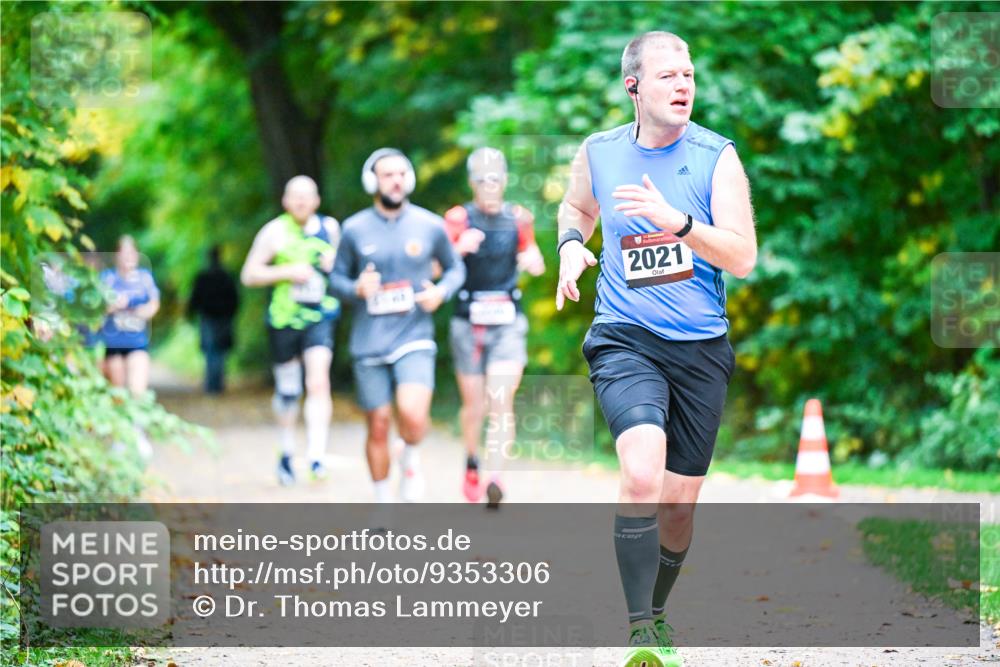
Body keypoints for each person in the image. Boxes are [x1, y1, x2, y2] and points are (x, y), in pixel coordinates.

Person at [555, 31, 757, 667]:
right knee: (641, 472)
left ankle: (659, 610)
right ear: (634, 87)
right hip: (625, 336)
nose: (683, 85)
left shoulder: (716, 157)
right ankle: (640, 629)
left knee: (677, 508)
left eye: (689, 74)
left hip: (700, 347)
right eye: (668, 75)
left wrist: (680, 224)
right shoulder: (601, 151)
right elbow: (576, 207)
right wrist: (570, 246)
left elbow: (743, 257)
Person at [329, 148, 465, 505]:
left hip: (414, 335)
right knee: (378, 423)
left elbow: (455, 269)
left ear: (410, 179)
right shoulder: (354, 229)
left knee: (413, 415)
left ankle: (410, 456)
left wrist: (441, 292)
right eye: (388, 175)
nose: (396, 181)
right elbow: (335, 281)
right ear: (372, 181)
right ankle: (382, 503)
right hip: (369, 340)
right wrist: (356, 288)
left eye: (402, 174)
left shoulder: (429, 225)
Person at [443, 147, 544, 507]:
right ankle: (473, 461)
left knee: (500, 398)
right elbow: (436, 268)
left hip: (506, 322)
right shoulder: (457, 219)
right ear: (472, 183)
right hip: (468, 323)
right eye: (482, 180)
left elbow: (533, 256)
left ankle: (495, 477)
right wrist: (457, 249)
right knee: (475, 405)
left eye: (495, 179)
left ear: (504, 181)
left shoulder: (519, 218)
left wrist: (533, 261)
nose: (489, 185)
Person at [241, 176, 341, 486]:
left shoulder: (331, 229)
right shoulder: (273, 231)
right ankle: (286, 451)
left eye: (306, 196)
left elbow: (345, 270)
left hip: (320, 316)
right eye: (295, 196)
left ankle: (316, 456)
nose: (301, 201)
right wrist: (287, 272)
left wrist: (334, 265)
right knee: (289, 390)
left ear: (317, 200)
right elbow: (249, 274)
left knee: (318, 381)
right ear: (285, 201)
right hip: (283, 320)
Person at [99, 235, 161, 458]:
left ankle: (138, 434)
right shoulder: (107, 278)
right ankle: (120, 437)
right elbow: (97, 305)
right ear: (117, 256)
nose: (127, 258)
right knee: (118, 393)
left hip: (137, 342)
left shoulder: (144, 278)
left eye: (131, 253)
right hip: (113, 343)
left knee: (137, 391)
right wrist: (113, 306)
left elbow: (153, 304)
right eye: (123, 253)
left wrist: (139, 312)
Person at [188, 245, 240, 394]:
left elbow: (195, 298)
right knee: (220, 351)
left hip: (209, 317)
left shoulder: (203, 276)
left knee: (211, 350)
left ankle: (212, 385)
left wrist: (192, 313)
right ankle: (216, 384)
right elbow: (235, 298)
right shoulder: (226, 276)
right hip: (222, 317)